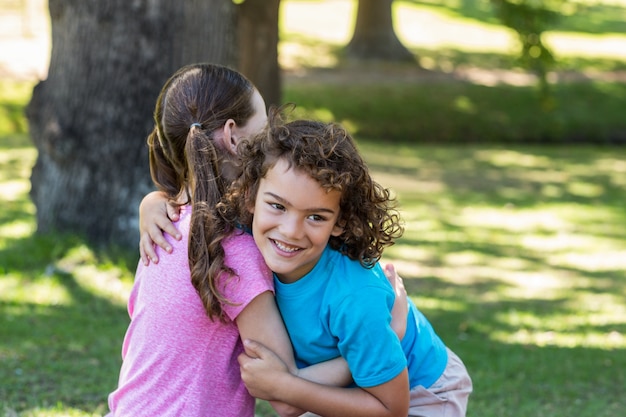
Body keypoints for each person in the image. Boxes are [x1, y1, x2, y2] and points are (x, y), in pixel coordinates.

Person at [109, 63, 406, 417]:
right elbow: (284, 394)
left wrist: (152, 201)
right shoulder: (234, 253)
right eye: (265, 128)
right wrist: (389, 334)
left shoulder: (166, 225)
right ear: (234, 136)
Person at [217, 112, 473, 417]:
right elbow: (188, 207)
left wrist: (285, 387)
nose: (290, 231)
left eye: (316, 217)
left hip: (421, 391)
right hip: (350, 383)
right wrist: (153, 204)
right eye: (277, 206)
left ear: (340, 222)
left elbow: (392, 409)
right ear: (251, 199)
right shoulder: (248, 234)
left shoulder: (353, 296)